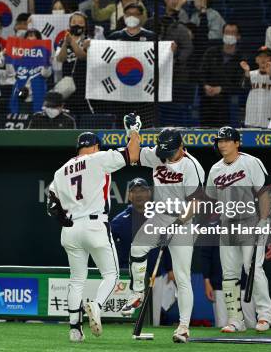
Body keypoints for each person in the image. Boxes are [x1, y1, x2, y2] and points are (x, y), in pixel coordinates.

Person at [47, 120, 141, 342]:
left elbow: (51, 205)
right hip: (95, 224)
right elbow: (133, 154)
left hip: (70, 229)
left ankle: (74, 330)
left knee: (76, 279)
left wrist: (65, 219)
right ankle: (96, 306)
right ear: (96, 147)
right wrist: (134, 131)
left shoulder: (60, 171)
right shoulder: (98, 158)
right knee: (111, 275)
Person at [121, 127, 206, 343]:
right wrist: (133, 132)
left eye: (169, 151)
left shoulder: (192, 166)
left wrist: (178, 223)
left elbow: (195, 203)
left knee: (182, 275)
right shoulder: (157, 154)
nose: (165, 155)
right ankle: (138, 293)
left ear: (180, 146)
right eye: (163, 150)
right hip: (160, 217)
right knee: (137, 246)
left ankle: (183, 327)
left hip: (184, 220)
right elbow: (133, 153)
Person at [205, 126, 271, 333]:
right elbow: (212, 198)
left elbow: (263, 193)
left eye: (227, 140)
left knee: (252, 268)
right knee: (229, 274)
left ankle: (264, 316)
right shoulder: (215, 169)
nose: (222, 144)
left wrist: (263, 220)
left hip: (251, 221)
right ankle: (235, 320)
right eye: (220, 141)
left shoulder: (251, 162)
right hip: (227, 225)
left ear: (237, 143)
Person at [110, 178, 175, 327]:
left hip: (155, 275)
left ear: (149, 193)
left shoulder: (160, 217)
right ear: (129, 196)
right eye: (134, 191)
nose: (139, 195)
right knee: (127, 320)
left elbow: (167, 245)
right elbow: (110, 249)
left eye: (142, 191)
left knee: (154, 319)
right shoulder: (119, 221)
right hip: (129, 276)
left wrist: (171, 269)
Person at [200, 23, 246, 127]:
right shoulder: (211, 52)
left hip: (227, 100)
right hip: (207, 98)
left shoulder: (241, 59)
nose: (229, 35)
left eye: (232, 33)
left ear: (238, 37)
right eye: (227, 33)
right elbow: (201, 74)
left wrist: (221, 89)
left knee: (221, 101)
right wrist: (205, 86)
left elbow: (240, 85)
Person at [55, 12, 91, 116]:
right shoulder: (63, 41)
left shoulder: (87, 41)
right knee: (67, 113)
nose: (77, 25)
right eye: (74, 22)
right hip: (67, 85)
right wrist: (66, 44)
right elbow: (60, 58)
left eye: (80, 22)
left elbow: (83, 56)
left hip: (83, 84)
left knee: (83, 113)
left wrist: (72, 42)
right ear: (70, 24)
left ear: (85, 26)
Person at [241, 46, 271, 128]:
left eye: (266, 56)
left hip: (268, 113)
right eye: (260, 56)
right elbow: (245, 87)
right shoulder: (251, 74)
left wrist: (270, 73)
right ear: (256, 60)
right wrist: (246, 72)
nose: (263, 59)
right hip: (252, 115)